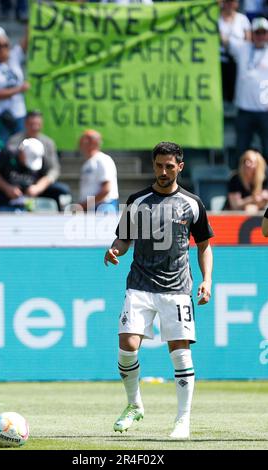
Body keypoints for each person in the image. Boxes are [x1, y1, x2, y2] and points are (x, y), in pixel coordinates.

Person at [104, 141, 213, 439]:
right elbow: (123, 240)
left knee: (180, 351)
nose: (163, 172)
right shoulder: (137, 201)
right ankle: (134, 405)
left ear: (180, 166)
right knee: (127, 344)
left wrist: (207, 280)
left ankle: (182, 420)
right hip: (139, 284)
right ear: (153, 166)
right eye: (158, 166)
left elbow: (204, 246)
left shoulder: (192, 204)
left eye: (169, 166)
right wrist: (114, 250)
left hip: (177, 288)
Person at [221, 17, 268, 168]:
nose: (260, 36)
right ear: (252, 34)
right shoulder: (243, 48)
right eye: (257, 33)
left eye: (263, 32)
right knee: (241, 150)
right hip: (244, 111)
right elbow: (225, 41)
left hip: (265, 111)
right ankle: (238, 185)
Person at [7, 110, 70, 210]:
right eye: (31, 124)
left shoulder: (48, 143)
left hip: (39, 183)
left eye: (38, 124)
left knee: (62, 190)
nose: (35, 127)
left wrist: (39, 186)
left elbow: (54, 169)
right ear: (25, 124)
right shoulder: (14, 141)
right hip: (17, 182)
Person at [0, 138, 67, 212]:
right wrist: (7, 188)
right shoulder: (8, 154)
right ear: (22, 152)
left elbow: (48, 176)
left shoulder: (41, 158)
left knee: (61, 189)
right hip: (5, 204)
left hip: (30, 205)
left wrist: (37, 188)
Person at [0, 34, 29, 144]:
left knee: (20, 147)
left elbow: (25, 43)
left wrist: (31, 22)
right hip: (2, 116)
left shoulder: (13, 58)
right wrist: (19, 89)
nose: (3, 48)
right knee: (2, 148)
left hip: (19, 113)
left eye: (5, 45)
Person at [218, 0, 251, 104]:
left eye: (232, 2)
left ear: (236, 4)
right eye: (227, 2)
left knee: (235, 89)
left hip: (238, 60)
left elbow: (248, 41)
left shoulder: (242, 19)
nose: (229, 4)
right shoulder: (216, 19)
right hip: (219, 60)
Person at [79, 129, 119, 213]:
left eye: (84, 140)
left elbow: (106, 189)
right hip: (92, 209)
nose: (80, 143)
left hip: (104, 207)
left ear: (93, 142)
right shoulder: (88, 163)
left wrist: (84, 205)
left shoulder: (103, 160)